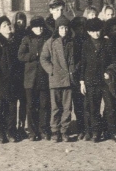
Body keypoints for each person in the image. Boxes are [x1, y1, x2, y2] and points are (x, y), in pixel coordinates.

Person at [79, 17, 116, 143]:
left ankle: (113, 132)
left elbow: (114, 61)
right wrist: (82, 81)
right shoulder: (86, 44)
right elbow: (83, 63)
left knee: (111, 106)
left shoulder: (108, 43)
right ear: (88, 32)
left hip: (105, 81)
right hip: (91, 81)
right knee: (93, 107)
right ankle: (96, 132)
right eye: (93, 31)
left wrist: (109, 72)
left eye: (98, 30)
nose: (96, 33)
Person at [40, 14, 77, 143]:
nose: (64, 30)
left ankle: (64, 130)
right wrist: (51, 70)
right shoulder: (50, 42)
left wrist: (72, 71)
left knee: (67, 107)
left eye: (66, 28)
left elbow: (75, 60)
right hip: (55, 80)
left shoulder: (72, 42)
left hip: (68, 80)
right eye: (61, 28)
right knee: (55, 107)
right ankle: (55, 130)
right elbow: (43, 58)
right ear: (57, 29)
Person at [0, 16, 23, 144]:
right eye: (4, 26)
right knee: (0, 107)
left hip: (13, 81)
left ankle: (11, 131)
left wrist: (17, 75)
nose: (8, 27)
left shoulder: (15, 41)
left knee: (12, 108)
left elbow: (19, 60)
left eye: (8, 24)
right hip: (0, 83)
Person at [18, 16, 51, 141]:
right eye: (37, 27)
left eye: (41, 26)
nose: (40, 29)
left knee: (44, 104)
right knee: (31, 105)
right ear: (32, 28)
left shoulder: (47, 38)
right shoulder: (27, 39)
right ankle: (32, 131)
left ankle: (43, 130)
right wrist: (34, 55)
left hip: (43, 76)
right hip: (30, 78)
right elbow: (20, 55)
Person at [11, 11, 29, 139]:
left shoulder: (27, 35)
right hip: (14, 72)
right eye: (18, 21)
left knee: (24, 101)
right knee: (13, 101)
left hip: (25, 71)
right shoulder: (11, 36)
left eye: (22, 21)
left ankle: (21, 126)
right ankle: (12, 127)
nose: (20, 23)